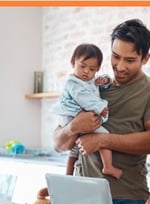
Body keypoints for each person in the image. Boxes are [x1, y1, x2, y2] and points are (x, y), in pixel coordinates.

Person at [53, 19, 150, 204]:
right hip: (83, 194)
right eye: (115, 57)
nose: (120, 66)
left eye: (130, 60)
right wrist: (73, 127)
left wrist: (101, 140)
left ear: (146, 58)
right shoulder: (91, 87)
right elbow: (58, 144)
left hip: (129, 198)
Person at [52, 43, 122, 179]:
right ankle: (108, 166)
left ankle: (68, 176)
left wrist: (105, 80)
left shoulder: (90, 80)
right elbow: (83, 98)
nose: (86, 72)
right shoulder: (73, 82)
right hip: (71, 116)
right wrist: (100, 107)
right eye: (82, 66)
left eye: (92, 69)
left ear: (97, 69)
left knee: (75, 148)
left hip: (74, 116)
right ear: (73, 62)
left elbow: (102, 84)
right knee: (104, 134)